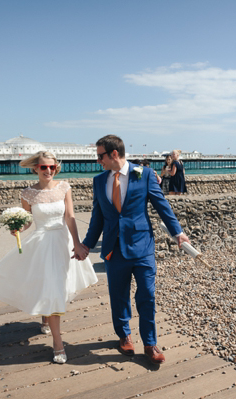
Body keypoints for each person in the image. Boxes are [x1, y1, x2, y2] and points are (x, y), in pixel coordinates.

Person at [0, 151, 98, 364]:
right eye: (44, 167)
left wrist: (77, 243)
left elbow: (69, 216)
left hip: (62, 242)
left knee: (57, 286)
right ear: (36, 169)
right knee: (50, 287)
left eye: (52, 167)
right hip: (41, 244)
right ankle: (58, 344)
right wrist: (17, 228)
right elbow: (28, 221)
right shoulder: (28, 194)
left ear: (56, 168)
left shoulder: (65, 188)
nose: (48, 170)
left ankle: (46, 318)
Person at [78, 135, 190, 365]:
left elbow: (162, 206)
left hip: (142, 247)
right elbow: (97, 218)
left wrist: (178, 233)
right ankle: (124, 335)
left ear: (114, 154)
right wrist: (86, 245)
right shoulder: (99, 181)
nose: (98, 160)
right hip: (113, 250)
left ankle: (150, 343)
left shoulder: (145, 174)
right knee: (118, 297)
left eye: (100, 156)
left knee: (147, 295)